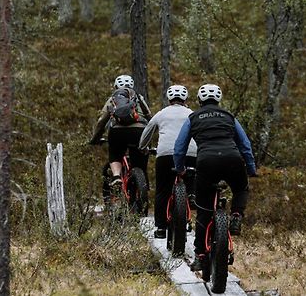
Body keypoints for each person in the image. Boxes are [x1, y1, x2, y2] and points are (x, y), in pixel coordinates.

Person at [173, 84, 257, 271]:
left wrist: (180, 169)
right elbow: (245, 144)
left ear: (200, 100)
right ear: (218, 100)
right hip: (232, 159)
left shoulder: (192, 117)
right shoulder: (228, 117)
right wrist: (251, 168)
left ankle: (200, 256)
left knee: (203, 211)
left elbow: (179, 146)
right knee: (241, 188)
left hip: (206, 162)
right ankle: (236, 215)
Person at [139, 85, 197, 239]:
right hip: (189, 153)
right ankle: (191, 194)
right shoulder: (192, 114)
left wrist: (143, 147)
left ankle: (160, 228)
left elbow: (146, 133)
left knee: (162, 191)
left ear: (169, 99)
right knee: (191, 178)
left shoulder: (161, 114)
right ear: (185, 99)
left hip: (165, 154)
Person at [90, 74, 152, 188]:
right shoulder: (138, 97)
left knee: (115, 153)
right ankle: (143, 184)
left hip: (118, 132)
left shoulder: (113, 99)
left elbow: (102, 121)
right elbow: (149, 117)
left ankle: (117, 176)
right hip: (139, 131)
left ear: (116, 86)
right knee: (140, 158)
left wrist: (95, 138)